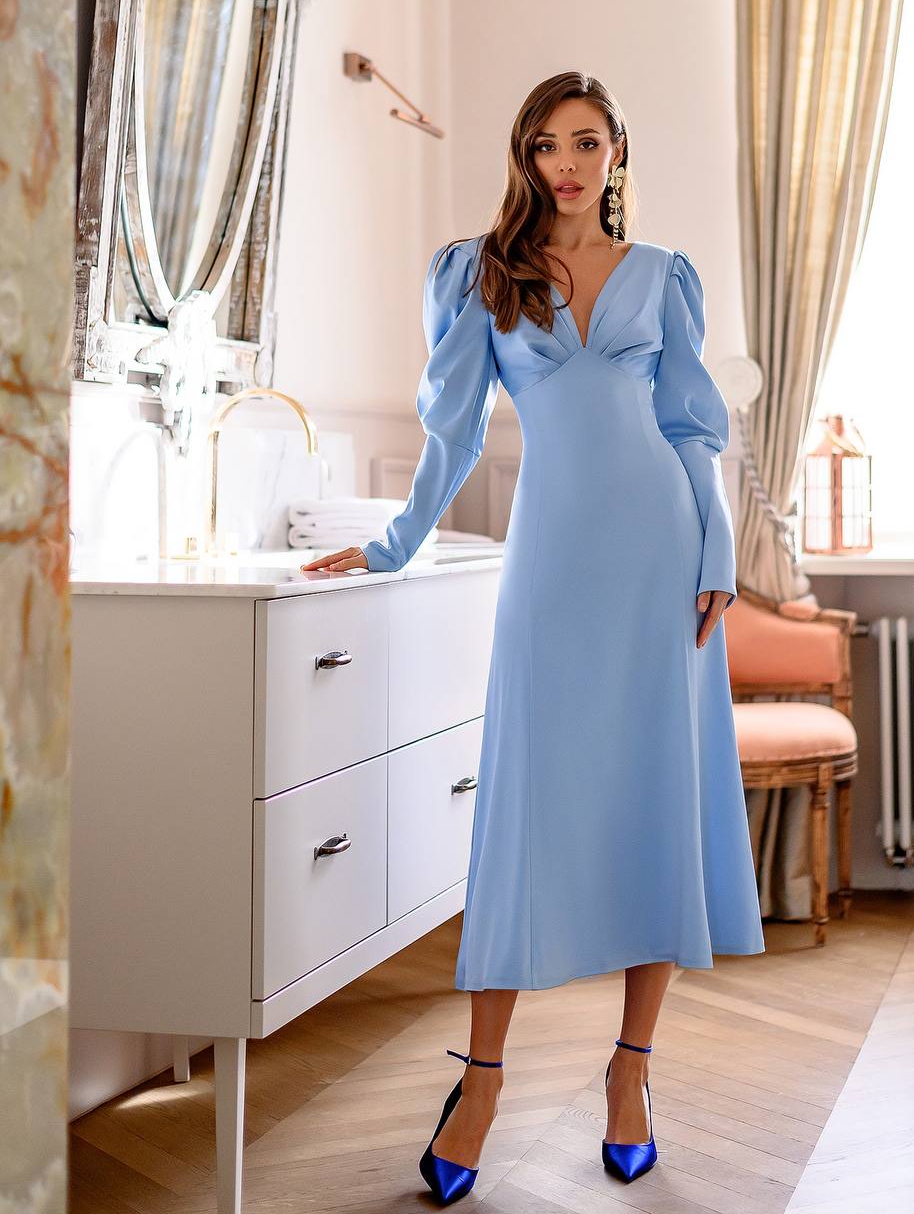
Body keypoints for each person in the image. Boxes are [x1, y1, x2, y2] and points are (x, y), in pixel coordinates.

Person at [301, 71, 765, 1204]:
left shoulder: (664, 275)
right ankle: (483, 1079)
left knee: (655, 801)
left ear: (616, 154)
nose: (566, 163)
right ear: (525, 155)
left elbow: (690, 429)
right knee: (519, 810)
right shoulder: (480, 272)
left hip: (662, 561)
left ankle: (631, 1070)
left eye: (586, 142)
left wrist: (716, 549)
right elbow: (454, 433)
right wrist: (394, 543)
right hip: (551, 568)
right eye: (547, 143)